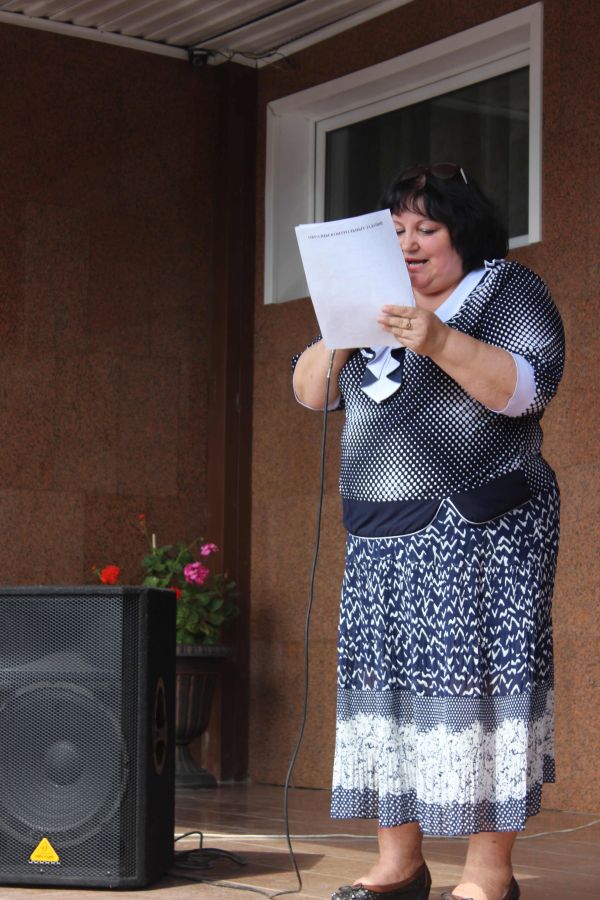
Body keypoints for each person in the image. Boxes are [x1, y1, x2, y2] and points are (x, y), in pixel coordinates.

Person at [291, 163, 564, 900]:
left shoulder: (505, 289)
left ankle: (488, 876)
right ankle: (400, 866)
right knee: (385, 695)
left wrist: (439, 339)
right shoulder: (367, 303)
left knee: (487, 693)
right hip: (380, 535)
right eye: (397, 231)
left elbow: (528, 389)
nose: (408, 244)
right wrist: (341, 329)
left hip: (484, 530)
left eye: (426, 229)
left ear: (462, 233)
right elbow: (311, 394)